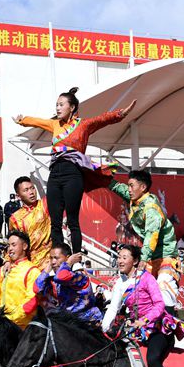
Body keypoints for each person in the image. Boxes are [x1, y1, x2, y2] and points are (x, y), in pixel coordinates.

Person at [14, 88, 135, 253]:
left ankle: (76, 257)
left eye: (61, 105)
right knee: (55, 221)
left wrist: (121, 113)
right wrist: (23, 120)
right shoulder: (54, 124)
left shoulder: (83, 125)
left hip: (73, 174)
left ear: (72, 108)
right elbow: (37, 121)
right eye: (56, 105)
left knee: (72, 220)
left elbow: (102, 119)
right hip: (55, 173)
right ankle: (58, 255)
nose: (57, 108)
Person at [116, 245, 174, 367]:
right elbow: (116, 308)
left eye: (124, 257)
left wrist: (144, 320)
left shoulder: (147, 278)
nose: (120, 260)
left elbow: (159, 304)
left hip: (159, 330)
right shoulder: (120, 283)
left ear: (134, 261)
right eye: (119, 257)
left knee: (152, 359)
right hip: (137, 332)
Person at [108, 169, 177, 276]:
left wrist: (144, 258)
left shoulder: (151, 208)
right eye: (128, 186)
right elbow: (119, 189)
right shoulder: (135, 197)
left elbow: (151, 235)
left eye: (132, 186)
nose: (129, 190)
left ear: (143, 187)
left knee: (163, 288)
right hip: (152, 257)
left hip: (166, 256)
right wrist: (104, 179)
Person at [0, 230, 42, 328]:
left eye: (13, 245)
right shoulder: (2, 270)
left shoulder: (33, 271)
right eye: (8, 245)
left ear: (24, 246)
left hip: (22, 329)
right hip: (1, 327)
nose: (10, 249)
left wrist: (9, 319)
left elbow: (32, 301)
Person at [34, 243, 102, 323]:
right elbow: (37, 288)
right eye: (51, 258)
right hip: (69, 325)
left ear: (68, 258)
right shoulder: (54, 280)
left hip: (88, 323)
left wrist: (69, 262)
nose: (53, 262)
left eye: (56, 258)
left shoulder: (80, 275)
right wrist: (49, 266)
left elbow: (61, 277)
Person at [5, 176, 52, 269]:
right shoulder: (14, 218)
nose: (31, 192)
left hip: (49, 262)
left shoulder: (45, 204)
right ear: (18, 196)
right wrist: (7, 261)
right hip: (30, 265)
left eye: (32, 188)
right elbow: (12, 243)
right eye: (26, 190)